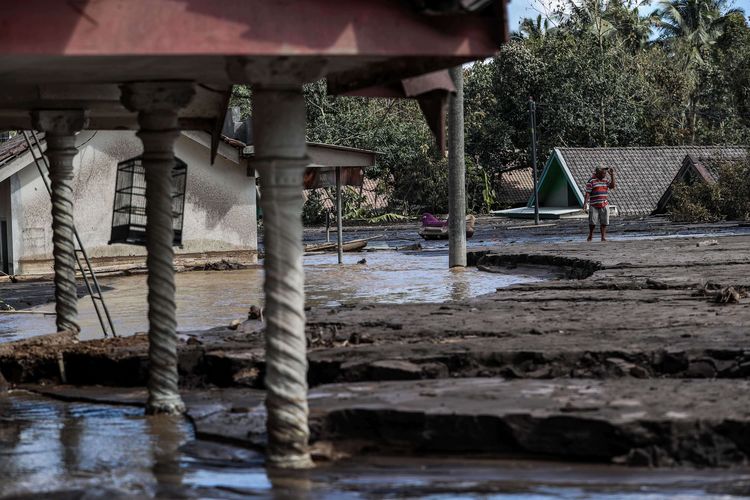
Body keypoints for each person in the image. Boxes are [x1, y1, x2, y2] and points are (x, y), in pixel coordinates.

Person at [583, 166, 615, 242]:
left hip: (604, 203)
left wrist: (612, 176)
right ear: (598, 173)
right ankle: (590, 235)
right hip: (594, 204)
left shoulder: (605, 180)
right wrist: (585, 203)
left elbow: (612, 186)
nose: (605, 174)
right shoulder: (591, 181)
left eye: (605, 173)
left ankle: (603, 237)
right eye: (603, 173)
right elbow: (587, 193)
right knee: (592, 222)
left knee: (604, 222)